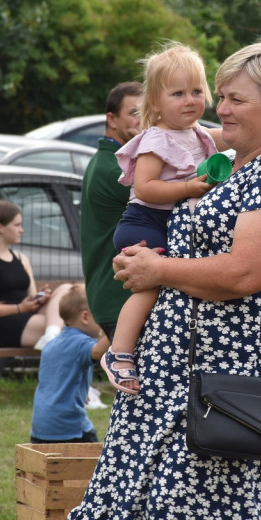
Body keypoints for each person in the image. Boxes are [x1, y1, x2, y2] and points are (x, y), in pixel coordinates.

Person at [65, 40, 261, 520]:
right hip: (171, 365)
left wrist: (159, 272)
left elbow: (246, 272)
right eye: (219, 95)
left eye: (235, 100)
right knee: (126, 493)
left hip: (236, 370)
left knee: (199, 508)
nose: (219, 108)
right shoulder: (226, 167)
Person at [99, 42, 226, 395]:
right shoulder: (156, 139)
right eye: (178, 93)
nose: (190, 100)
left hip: (167, 223)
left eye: (197, 91)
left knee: (172, 287)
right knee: (152, 285)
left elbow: (233, 138)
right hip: (143, 221)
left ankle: (146, 349)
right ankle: (118, 352)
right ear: (154, 102)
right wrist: (187, 188)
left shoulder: (197, 133)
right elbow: (146, 187)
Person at [80, 81, 143, 344]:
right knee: (138, 384)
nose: (143, 121)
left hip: (116, 295)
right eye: (134, 113)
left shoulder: (109, 160)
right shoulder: (115, 169)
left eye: (148, 112)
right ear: (111, 119)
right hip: (119, 296)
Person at [0, 200, 68, 351]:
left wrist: (40, 298)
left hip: (28, 314)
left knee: (66, 289)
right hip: (6, 323)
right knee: (70, 327)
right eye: (17, 225)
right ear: (0, 227)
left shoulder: (22, 259)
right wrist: (20, 308)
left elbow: (31, 295)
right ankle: (50, 336)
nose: (21, 230)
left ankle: (50, 336)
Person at [30, 284, 110, 443]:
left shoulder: (52, 344)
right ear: (85, 317)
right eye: (99, 314)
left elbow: (58, 377)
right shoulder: (80, 343)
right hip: (67, 426)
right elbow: (97, 351)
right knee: (94, 464)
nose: (101, 319)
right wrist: (117, 328)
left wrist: (78, 392)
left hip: (41, 426)